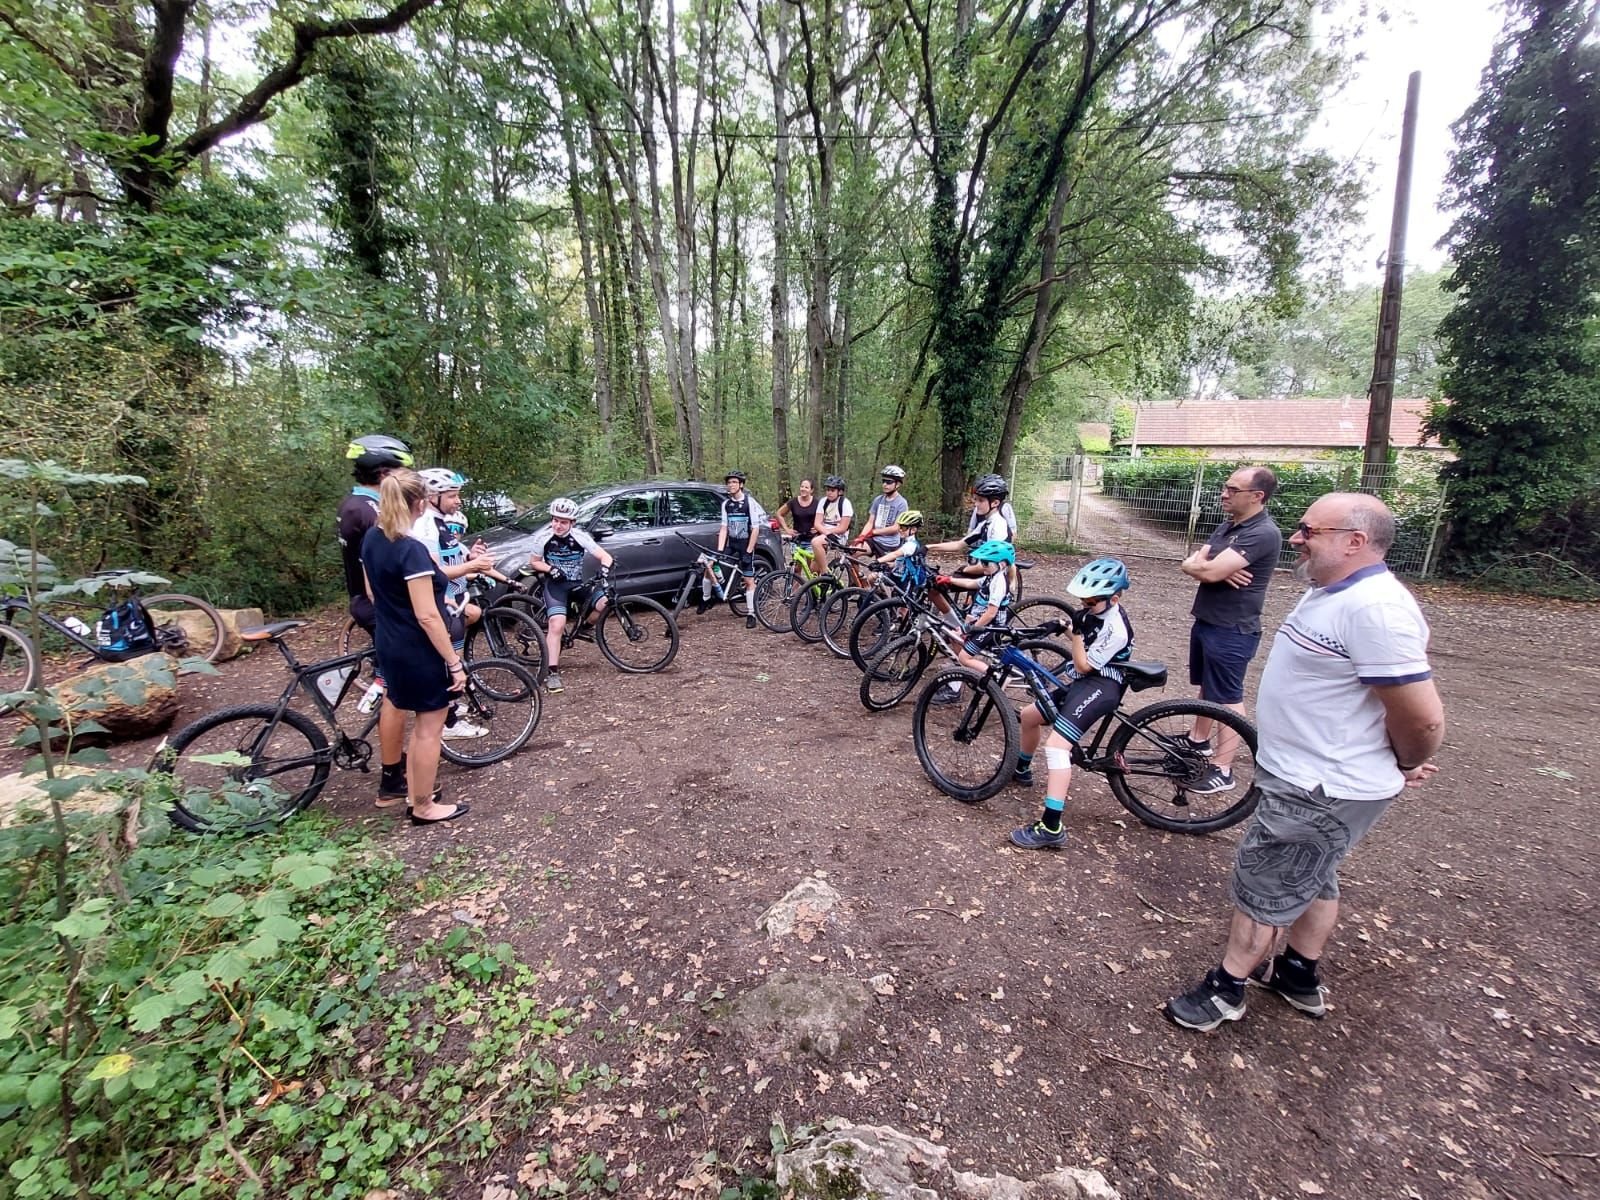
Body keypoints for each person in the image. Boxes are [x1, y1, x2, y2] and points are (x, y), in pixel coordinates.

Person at [1164, 493, 1444, 1032]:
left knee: (1266, 882)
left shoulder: (1376, 610)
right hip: (1307, 772)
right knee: (1315, 873)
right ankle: (1297, 973)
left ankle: (1226, 990)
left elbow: (1422, 717)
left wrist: (1406, 761)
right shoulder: (1330, 589)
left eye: (1309, 531)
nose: (1295, 538)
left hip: (1318, 785)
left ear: (1354, 542)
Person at [360, 468, 469, 826]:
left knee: (415, 722)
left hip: (389, 642)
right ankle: (423, 806)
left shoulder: (373, 540)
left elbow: (375, 594)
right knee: (428, 728)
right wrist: (453, 662)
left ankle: (412, 792)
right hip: (417, 650)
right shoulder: (411, 551)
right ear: (420, 504)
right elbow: (426, 616)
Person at [1009, 557, 1134, 850]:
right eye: (1082, 598)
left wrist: (1075, 633)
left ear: (1113, 598)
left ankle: (1051, 826)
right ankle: (1022, 769)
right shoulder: (1099, 611)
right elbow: (1083, 633)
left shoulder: (1117, 628)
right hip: (1086, 681)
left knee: (1056, 747)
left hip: (1103, 685)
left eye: (1090, 600)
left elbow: (1082, 664)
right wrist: (1062, 626)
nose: (1084, 603)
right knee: (1029, 716)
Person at [1178, 467, 1283, 796]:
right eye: (1225, 487)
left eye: (1232, 489)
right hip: (1208, 619)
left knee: (1228, 698)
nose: (1224, 493)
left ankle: (1223, 769)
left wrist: (1209, 570)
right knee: (1208, 688)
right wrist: (1203, 568)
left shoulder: (1263, 533)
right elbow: (1199, 562)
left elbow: (1208, 569)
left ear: (1257, 496)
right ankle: (1198, 741)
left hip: (1233, 628)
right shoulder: (1229, 526)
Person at [414, 468, 496, 736]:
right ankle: (448, 723)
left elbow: (451, 558)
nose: (458, 501)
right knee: (448, 664)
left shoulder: (441, 523)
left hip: (455, 604)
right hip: (440, 603)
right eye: (452, 496)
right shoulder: (425, 527)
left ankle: (450, 709)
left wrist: (471, 555)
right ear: (432, 496)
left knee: (453, 662)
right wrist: (473, 565)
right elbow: (433, 573)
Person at [525, 496, 615, 694]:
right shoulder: (543, 538)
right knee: (557, 624)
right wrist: (549, 569)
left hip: (577, 584)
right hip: (555, 586)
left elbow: (605, 556)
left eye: (563, 522)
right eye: (555, 520)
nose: (558, 525)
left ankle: (585, 627)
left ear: (572, 523)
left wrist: (605, 569)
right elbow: (534, 562)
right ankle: (552, 673)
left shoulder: (580, 537)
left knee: (605, 603)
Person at [338, 434, 414, 637]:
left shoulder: (355, 503)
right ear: (384, 474)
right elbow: (373, 565)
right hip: (378, 604)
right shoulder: (369, 511)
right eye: (401, 472)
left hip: (370, 602)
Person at [714, 470, 767, 628]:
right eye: (729, 482)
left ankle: (751, 614)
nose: (730, 485)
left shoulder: (749, 503)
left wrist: (749, 550)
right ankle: (707, 597)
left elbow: (756, 529)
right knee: (711, 564)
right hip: (732, 543)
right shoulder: (726, 504)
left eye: (734, 482)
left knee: (748, 579)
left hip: (746, 544)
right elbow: (724, 528)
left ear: (741, 485)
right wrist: (720, 549)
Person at [852, 465, 908, 557]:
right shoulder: (878, 500)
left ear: (897, 484)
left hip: (889, 544)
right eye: (883, 481)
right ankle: (854, 572)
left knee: (883, 569)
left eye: (889, 482)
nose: (885, 484)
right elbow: (870, 522)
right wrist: (861, 536)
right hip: (874, 539)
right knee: (852, 552)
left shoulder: (902, 503)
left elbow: (896, 528)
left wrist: (874, 532)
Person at [813, 475, 854, 577]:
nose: (829, 493)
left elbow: (842, 528)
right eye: (827, 490)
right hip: (825, 534)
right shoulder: (823, 502)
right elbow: (817, 523)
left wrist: (826, 531)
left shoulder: (845, 504)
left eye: (832, 490)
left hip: (839, 536)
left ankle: (825, 574)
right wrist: (826, 532)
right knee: (813, 568)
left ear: (839, 492)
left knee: (816, 542)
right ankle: (816, 590)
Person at [777, 479, 820, 547]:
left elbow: (825, 517)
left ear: (811, 490)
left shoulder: (817, 503)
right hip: (796, 539)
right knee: (797, 558)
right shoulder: (793, 502)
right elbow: (779, 513)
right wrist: (787, 529)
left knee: (811, 557)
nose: (803, 489)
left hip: (812, 539)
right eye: (802, 486)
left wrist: (819, 527)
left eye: (806, 487)